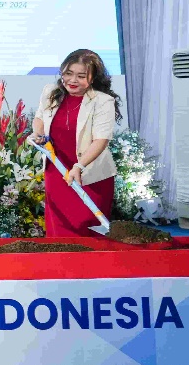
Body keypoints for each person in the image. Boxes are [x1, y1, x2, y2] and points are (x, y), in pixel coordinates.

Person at [30, 49, 121, 237]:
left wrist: (79, 166)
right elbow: (40, 118)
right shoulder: (50, 92)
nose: (72, 80)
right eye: (68, 73)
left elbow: (101, 140)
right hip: (57, 172)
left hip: (90, 175)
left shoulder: (103, 101)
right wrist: (38, 133)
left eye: (81, 76)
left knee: (86, 230)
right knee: (59, 229)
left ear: (93, 77)